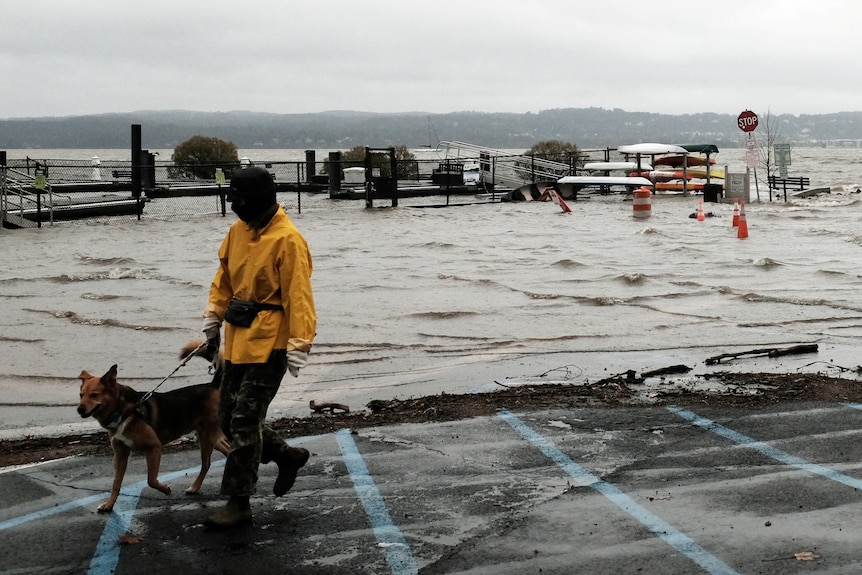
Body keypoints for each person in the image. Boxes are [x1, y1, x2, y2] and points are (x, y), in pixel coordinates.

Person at [200, 166, 316, 529]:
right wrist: (213, 316)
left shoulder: (288, 240)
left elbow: (299, 295)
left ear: (257, 200)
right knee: (227, 418)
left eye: (240, 200)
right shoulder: (236, 232)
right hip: (237, 338)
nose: (235, 207)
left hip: (273, 342)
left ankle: (239, 501)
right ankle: (286, 455)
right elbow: (224, 280)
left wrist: (300, 343)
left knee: (245, 421)